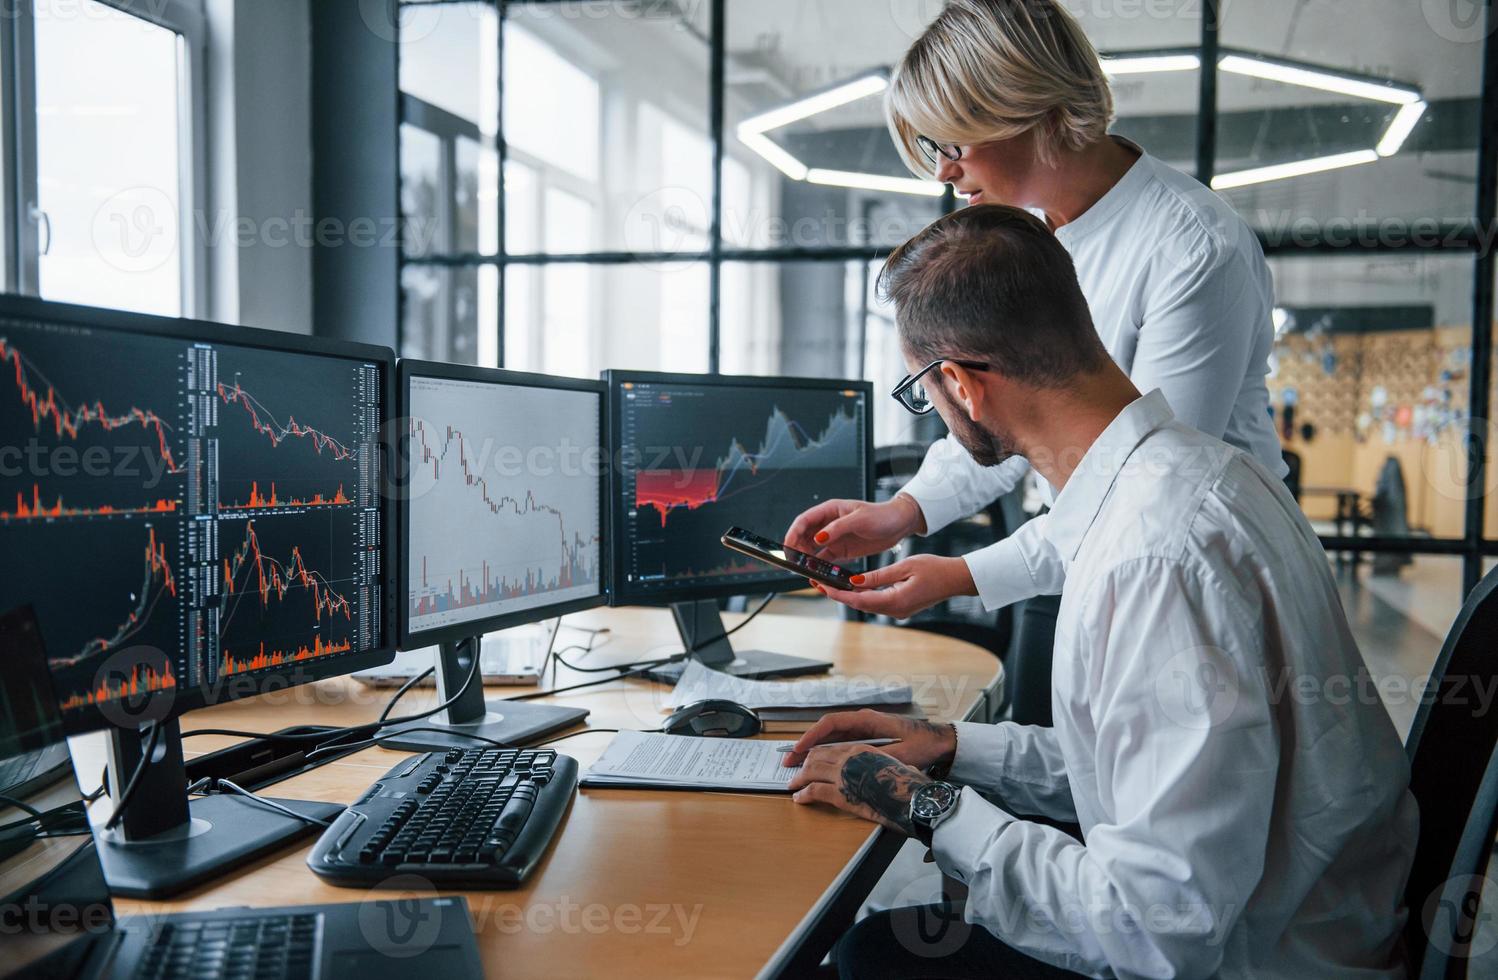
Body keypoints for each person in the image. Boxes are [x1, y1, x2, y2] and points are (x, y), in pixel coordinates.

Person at [784, 204, 1416, 979]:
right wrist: (953, 748)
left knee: (871, 956)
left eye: (924, 392)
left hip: (1258, 958)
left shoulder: (1151, 558)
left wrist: (926, 806)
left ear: (962, 385)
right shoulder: (1204, 473)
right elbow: (1143, 760)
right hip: (1305, 910)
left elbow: (1157, 930)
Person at [785, 0, 1285, 662]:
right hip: (1089, 550)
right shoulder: (1033, 234)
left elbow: (1154, 491)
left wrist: (966, 575)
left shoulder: (1191, 246)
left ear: (1030, 111)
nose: (941, 171)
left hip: (1202, 570)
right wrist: (905, 511)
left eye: (953, 144)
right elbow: (1012, 418)